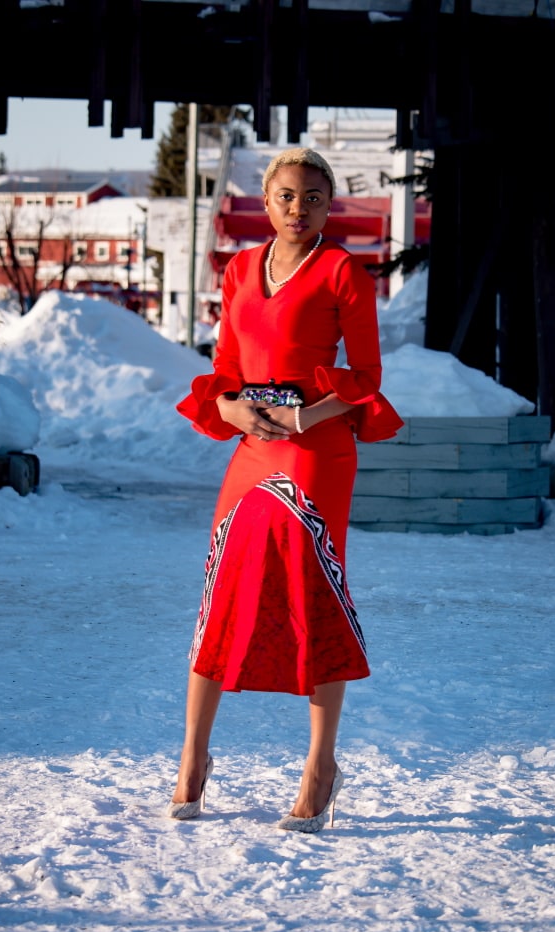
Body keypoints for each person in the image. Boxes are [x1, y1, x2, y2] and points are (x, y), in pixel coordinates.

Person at [168, 147, 403, 832]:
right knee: (224, 588)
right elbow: (227, 365)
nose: (299, 209)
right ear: (266, 201)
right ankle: (192, 756)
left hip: (317, 449)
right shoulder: (240, 268)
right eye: (286, 196)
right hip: (252, 443)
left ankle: (320, 767)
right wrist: (235, 410)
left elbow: (365, 374)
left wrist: (307, 413)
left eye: (313, 198)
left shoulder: (342, 271)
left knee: (311, 590)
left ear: (329, 206)